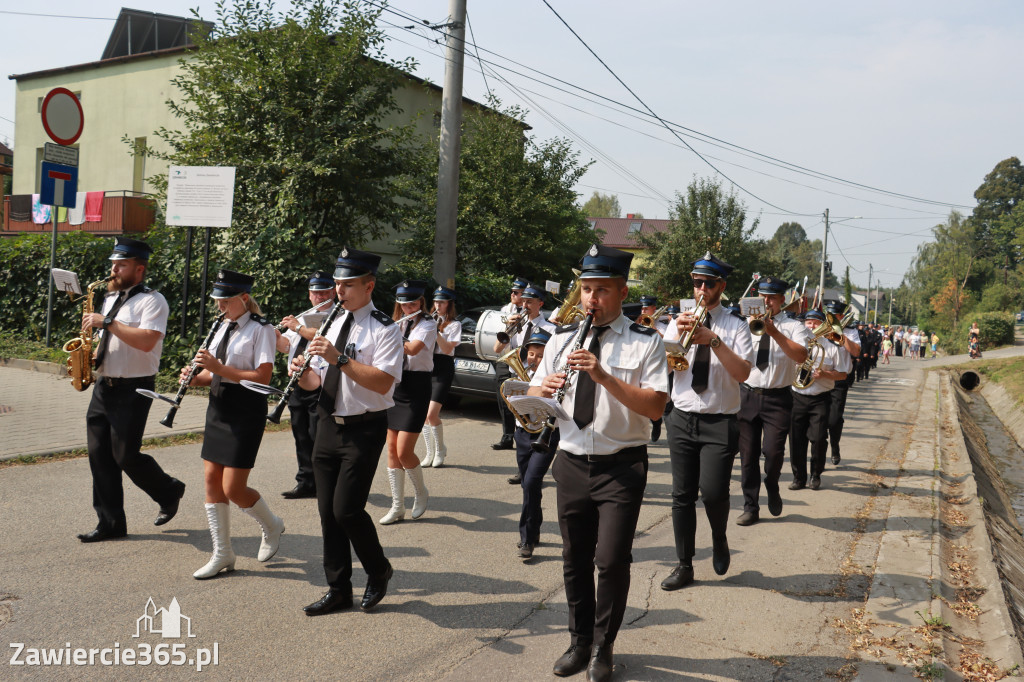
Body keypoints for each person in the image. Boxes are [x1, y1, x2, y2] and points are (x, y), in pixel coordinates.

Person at [528, 244, 667, 682]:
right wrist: (542, 391)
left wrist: (603, 375)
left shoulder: (647, 341)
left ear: (622, 292)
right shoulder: (559, 339)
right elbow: (529, 402)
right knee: (574, 558)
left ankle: (604, 647)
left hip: (620, 465)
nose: (591, 299)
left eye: (602, 290)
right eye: (586, 289)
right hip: (570, 461)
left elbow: (657, 407)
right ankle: (579, 641)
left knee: (610, 560)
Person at [294, 247, 402, 615]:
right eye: (337, 284)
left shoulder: (385, 328)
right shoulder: (331, 322)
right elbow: (315, 382)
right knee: (327, 513)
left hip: (364, 428)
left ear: (369, 285)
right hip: (327, 422)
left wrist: (338, 358)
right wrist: (303, 372)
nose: (339, 291)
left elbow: (383, 382)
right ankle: (338, 589)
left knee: (347, 510)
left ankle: (379, 569)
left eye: (348, 285)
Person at [77, 237, 186, 543]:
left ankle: (169, 490)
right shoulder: (111, 297)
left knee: (125, 455)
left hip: (134, 388)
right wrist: (90, 358)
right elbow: (111, 338)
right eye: (113, 263)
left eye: (121, 264)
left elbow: (147, 341)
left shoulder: (153, 301)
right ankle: (110, 523)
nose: (114, 269)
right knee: (99, 455)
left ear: (139, 269)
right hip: (105, 386)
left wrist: (107, 322)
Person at [661, 253, 753, 591]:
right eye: (697, 282)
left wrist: (712, 340)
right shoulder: (677, 320)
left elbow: (743, 372)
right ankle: (684, 564)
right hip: (682, 417)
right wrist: (675, 343)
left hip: (720, 421)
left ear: (721, 287)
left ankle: (719, 537)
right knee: (681, 495)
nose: (701, 288)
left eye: (708, 283)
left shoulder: (736, 325)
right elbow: (664, 368)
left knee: (713, 493)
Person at [183, 269, 283, 579]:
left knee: (233, 487)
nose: (220, 306)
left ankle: (272, 524)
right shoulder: (220, 326)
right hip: (219, 406)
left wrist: (217, 368)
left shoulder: (261, 330)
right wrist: (195, 378)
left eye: (226, 300)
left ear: (244, 298)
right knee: (212, 480)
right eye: (217, 300)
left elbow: (263, 376)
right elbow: (214, 373)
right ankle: (222, 552)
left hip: (246, 409)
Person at [735, 276, 812, 526]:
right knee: (747, 456)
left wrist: (774, 332)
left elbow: (801, 355)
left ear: (781, 300)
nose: (766, 302)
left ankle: (772, 483)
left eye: (772, 298)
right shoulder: (745, 323)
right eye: (763, 296)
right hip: (747, 394)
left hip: (777, 398)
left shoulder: (793, 326)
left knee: (773, 453)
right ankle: (751, 506)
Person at [275, 270, 337, 499]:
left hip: (321, 384)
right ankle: (306, 481)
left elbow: (323, 337)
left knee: (318, 435)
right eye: (315, 293)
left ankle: (326, 482)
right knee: (301, 434)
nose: (319, 297)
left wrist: (297, 328)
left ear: (332, 292)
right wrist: (274, 336)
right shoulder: (302, 317)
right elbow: (286, 347)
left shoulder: (338, 316)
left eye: (324, 292)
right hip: (297, 382)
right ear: (309, 294)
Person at [380, 280, 436, 525]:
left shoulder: (428, 323)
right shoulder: (396, 324)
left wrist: (388, 337)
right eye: (404, 303)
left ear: (421, 301)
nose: (408, 307)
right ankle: (397, 506)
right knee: (391, 450)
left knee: (404, 451)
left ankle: (421, 492)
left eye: (413, 302)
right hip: (396, 385)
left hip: (417, 386)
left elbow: (412, 349)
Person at [495, 283, 555, 484]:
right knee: (522, 425)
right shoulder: (516, 325)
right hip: (519, 378)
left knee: (536, 424)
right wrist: (507, 329)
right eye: (524, 301)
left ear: (540, 303)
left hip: (538, 381)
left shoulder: (551, 329)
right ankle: (524, 469)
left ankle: (533, 470)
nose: (525, 305)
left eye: (530, 302)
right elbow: (497, 349)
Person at [789, 310, 847, 491]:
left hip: (820, 399)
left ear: (823, 326)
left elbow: (843, 374)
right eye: (808, 323)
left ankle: (816, 474)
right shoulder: (796, 344)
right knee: (796, 440)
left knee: (819, 439)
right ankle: (799, 477)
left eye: (815, 323)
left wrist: (825, 374)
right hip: (797, 397)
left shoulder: (832, 347)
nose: (811, 326)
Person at [513, 327, 556, 562]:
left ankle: (527, 539)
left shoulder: (556, 374)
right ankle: (535, 528)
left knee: (531, 482)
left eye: (541, 355)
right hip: (522, 432)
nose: (535, 359)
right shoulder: (519, 372)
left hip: (547, 434)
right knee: (528, 486)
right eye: (532, 354)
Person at [421, 285, 461, 468]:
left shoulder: (454, 325)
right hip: (426, 367)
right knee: (423, 415)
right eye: (436, 301)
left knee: (432, 414)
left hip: (443, 368)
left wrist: (435, 330)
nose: (437, 305)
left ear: (449, 304)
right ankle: (429, 452)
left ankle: (440, 450)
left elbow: (446, 349)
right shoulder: (427, 320)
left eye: (442, 302)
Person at [492, 276, 531, 451]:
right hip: (506, 357)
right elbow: (498, 339)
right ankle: (507, 437)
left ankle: (522, 435)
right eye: (512, 292)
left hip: (522, 361)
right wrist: (507, 325)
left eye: (517, 292)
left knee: (520, 400)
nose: (512, 294)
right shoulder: (505, 310)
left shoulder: (529, 311)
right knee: (503, 400)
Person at [824, 303, 860, 467]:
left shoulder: (850, 331)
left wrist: (841, 336)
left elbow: (856, 352)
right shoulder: (820, 327)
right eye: (829, 315)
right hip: (819, 378)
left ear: (841, 317)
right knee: (818, 420)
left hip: (839, 380)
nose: (831, 319)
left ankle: (834, 446)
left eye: (835, 316)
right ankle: (819, 452)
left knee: (834, 419)